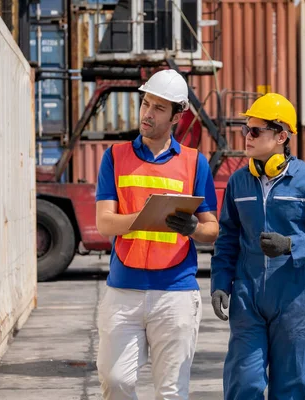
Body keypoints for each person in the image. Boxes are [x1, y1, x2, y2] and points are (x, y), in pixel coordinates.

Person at [210, 93, 305, 399]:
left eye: (255, 131)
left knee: (290, 388)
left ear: (281, 136)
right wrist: (220, 282)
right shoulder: (238, 182)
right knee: (243, 383)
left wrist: (292, 245)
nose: (247, 136)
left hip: (294, 297)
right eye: (246, 129)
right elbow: (228, 236)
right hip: (248, 297)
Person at [94, 69, 219, 400]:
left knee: (171, 393)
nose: (147, 114)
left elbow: (212, 230)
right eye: (146, 104)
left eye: (159, 108)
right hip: (123, 290)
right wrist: (143, 218)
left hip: (175, 293)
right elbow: (105, 223)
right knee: (115, 380)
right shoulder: (115, 158)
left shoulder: (195, 163)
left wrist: (193, 228)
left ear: (178, 115)